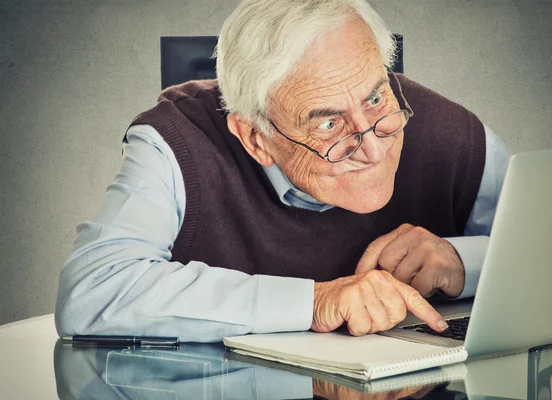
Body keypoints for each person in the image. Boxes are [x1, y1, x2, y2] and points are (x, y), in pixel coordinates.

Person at [55, 0, 510, 342]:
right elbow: (94, 291)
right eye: (329, 123)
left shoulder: (449, 130)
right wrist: (312, 301)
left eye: (375, 98)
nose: (372, 146)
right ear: (255, 138)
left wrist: (464, 260)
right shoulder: (175, 141)